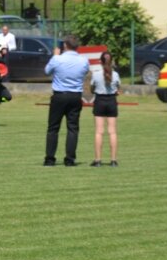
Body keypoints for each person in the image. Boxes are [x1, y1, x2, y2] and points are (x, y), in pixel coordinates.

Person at [43, 34, 90, 167]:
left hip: (59, 95)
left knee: (53, 128)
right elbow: (85, 72)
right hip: (75, 96)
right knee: (73, 128)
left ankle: (50, 158)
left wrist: (55, 55)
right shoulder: (83, 60)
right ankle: (70, 159)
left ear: (65, 45)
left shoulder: (57, 59)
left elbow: (47, 71)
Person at [90, 52, 121, 167]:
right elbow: (118, 88)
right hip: (112, 101)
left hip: (99, 101)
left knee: (99, 132)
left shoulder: (96, 74)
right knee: (112, 131)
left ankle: (98, 160)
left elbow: (92, 89)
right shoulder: (116, 75)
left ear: (100, 62)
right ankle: (113, 160)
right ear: (111, 61)